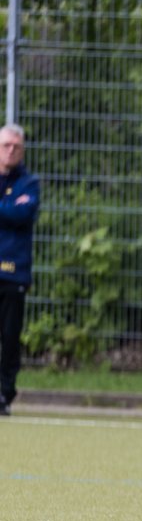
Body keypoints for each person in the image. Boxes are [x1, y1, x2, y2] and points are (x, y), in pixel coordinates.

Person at [0, 124, 40, 417]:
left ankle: (4, 394)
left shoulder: (29, 183)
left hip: (13, 273)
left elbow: (20, 213)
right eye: (5, 145)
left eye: (15, 146)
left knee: (10, 338)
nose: (10, 150)